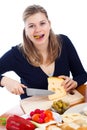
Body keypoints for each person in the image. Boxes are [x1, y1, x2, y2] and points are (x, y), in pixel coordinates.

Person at [0, 5, 87, 99]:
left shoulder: (63, 42)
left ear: (49, 24)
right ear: (26, 30)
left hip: (65, 104)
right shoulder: (16, 54)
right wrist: (4, 80)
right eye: (31, 26)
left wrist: (75, 82)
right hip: (34, 110)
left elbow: (82, 75)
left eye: (42, 23)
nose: (38, 30)